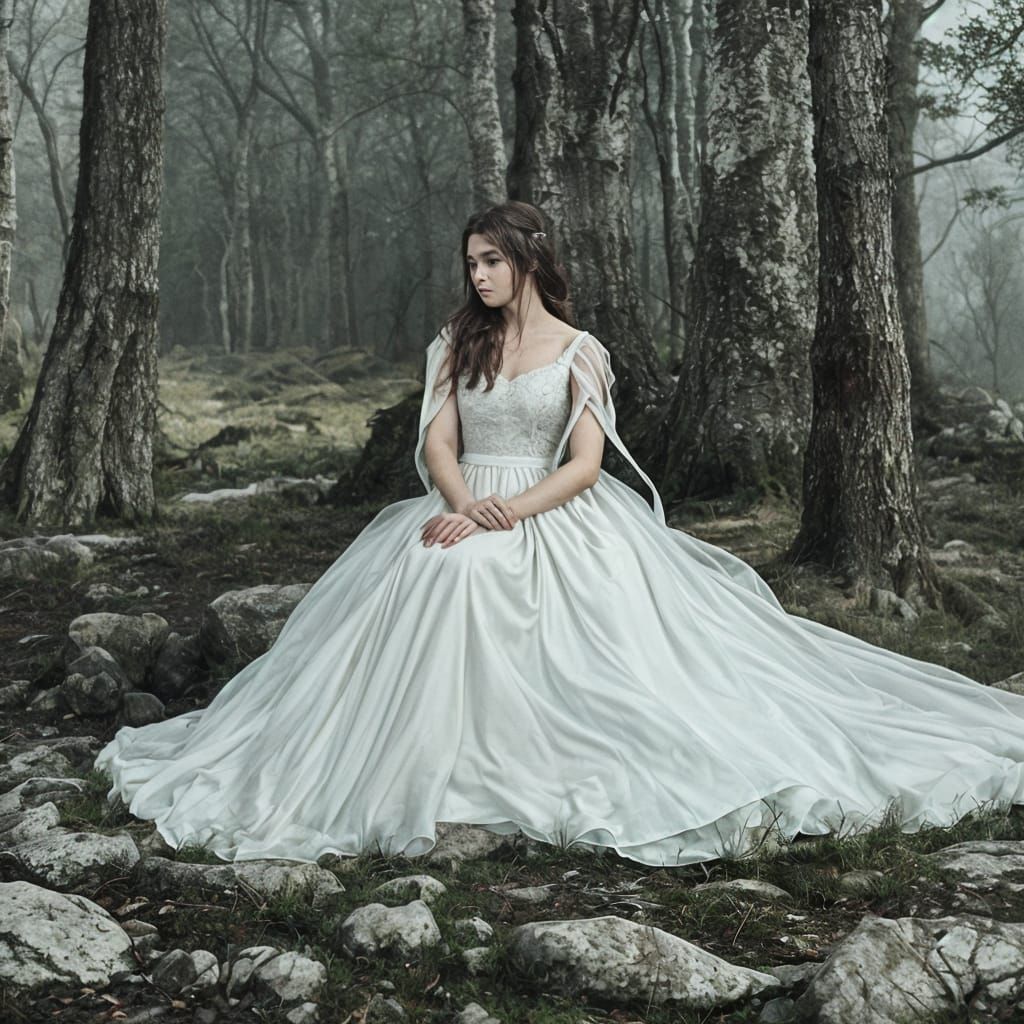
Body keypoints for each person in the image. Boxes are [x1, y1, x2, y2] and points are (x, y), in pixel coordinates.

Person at [95, 200, 1024, 868]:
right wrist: (460, 505)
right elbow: (436, 441)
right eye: (471, 265)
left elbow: (586, 463)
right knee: (438, 577)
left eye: (491, 262)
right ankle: (424, 765)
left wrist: (513, 509)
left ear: (529, 261)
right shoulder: (457, 343)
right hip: (464, 503)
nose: (479, 277)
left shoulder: (582, 352)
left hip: (553, 510)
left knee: (511, 600)